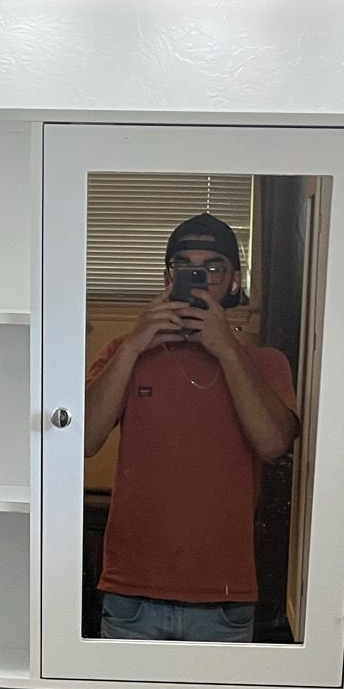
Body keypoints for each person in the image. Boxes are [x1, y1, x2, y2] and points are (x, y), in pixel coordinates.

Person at [84, 213, 299, 643]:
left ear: (234, 282)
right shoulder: (125, 352)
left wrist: (226, 348)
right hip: (131, 592)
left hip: (223, 598)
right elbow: (83, 440)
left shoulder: (264, 363)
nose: (198, 278)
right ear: (167, 277)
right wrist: (134, 345)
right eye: (184, 266)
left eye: (213, 267)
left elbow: (273, 444)